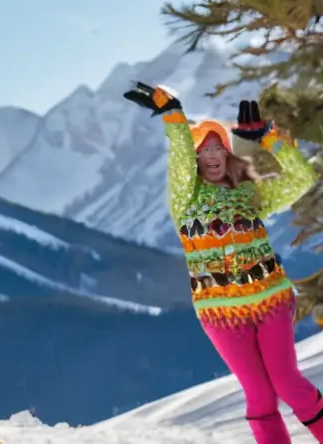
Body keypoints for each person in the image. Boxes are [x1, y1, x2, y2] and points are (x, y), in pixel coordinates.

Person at [123, 82, 320, 443]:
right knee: (260, 396)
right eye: (203, 150)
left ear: (227, 155)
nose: (211, 155)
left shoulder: (249, 194)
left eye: (218, 147)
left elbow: (302, 178)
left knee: (287, 383)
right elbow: (180, 157)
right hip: (221, 315)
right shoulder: (184, 202)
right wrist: (174, 117)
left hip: (270, 300)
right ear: (195, 160)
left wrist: (268, 138)